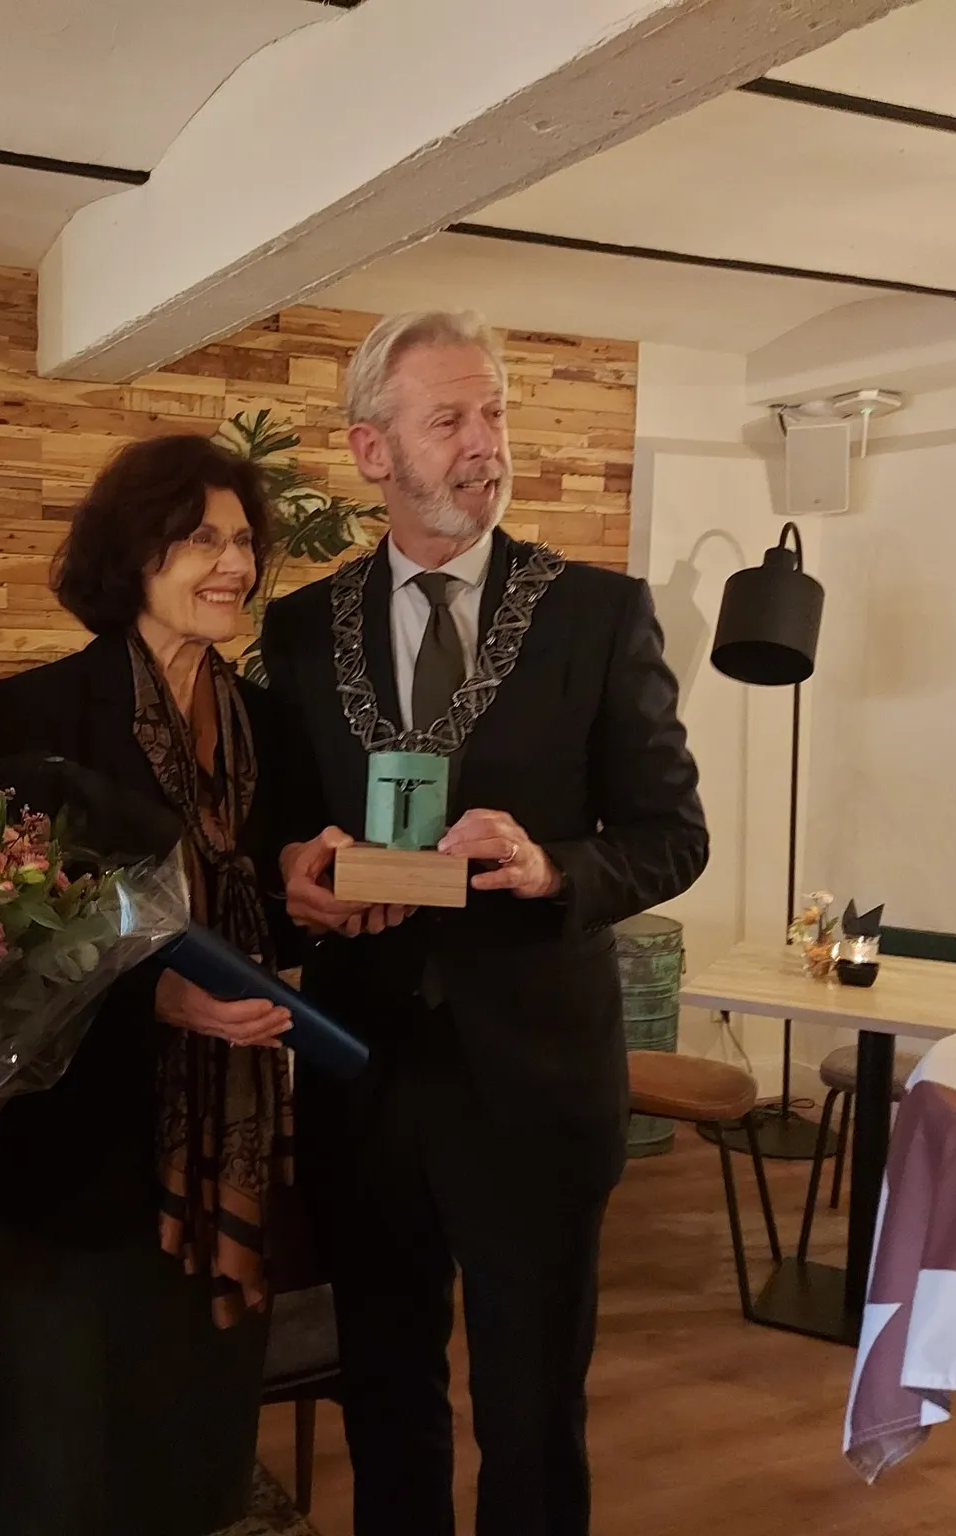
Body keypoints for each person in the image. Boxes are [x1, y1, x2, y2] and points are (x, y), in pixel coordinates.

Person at [261, 310, 708, 1536]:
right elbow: (276, 828)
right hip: (361, 1073)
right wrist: (294, 868)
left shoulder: (597, 616)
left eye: (494, 413)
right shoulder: (298, 629)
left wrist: (552, 867)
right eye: (448, 418)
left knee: (532, 1410)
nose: (484, 444)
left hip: (536, 1081)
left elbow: (671, 835)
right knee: (381, 1389)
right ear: (371, 450)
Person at [0, 432, 298, 1536]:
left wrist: (322, 889)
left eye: (243, 541)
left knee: (192, 1441)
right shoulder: (38, 709)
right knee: (66, 1451)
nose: (233, 564)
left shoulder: (270, 723)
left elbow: (278, 898)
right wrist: (153, 997)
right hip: (80, 1139)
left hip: (231, 1124)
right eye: (201, 538)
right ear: (131, 552)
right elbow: (7, 933)